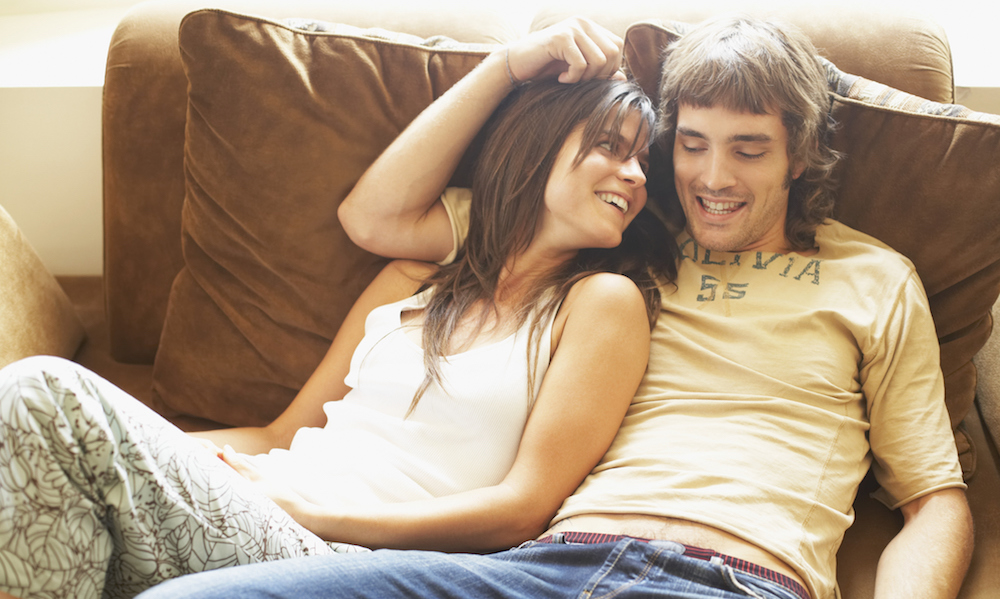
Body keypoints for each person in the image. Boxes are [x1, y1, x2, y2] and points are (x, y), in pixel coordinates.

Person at [135, 13, 974, 599]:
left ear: (801, 154)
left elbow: (933, 500)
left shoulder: (872, 278)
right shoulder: (619, 235)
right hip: (539, 565)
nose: (713, 179)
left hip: (731, 575)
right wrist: (509, 62)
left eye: (749, 151)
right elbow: (380, 219)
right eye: (690, 145)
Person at [0, 65, 675, 598]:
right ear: (537, 144)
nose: (635, 176)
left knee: (42, 392)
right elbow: (279, 435)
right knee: (45, 448)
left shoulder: (601, 303)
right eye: (611, 147)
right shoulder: (410, 279)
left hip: (342, 555)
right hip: (263, 503)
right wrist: (145, 449)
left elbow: (522, 508)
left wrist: (313, 513)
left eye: (643, 161)